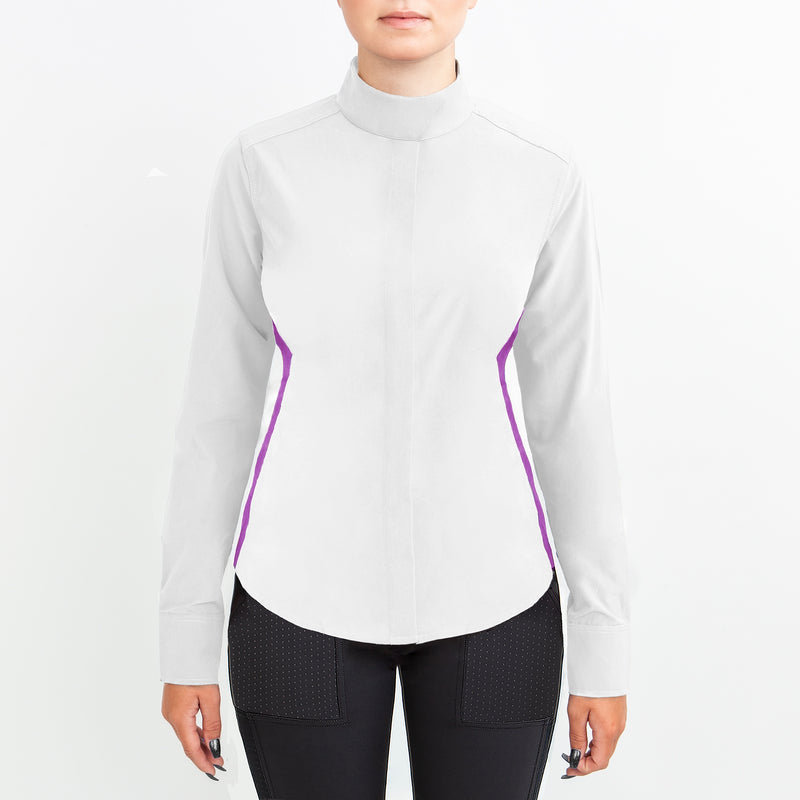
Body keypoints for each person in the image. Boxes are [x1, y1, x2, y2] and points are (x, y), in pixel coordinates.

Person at [159, 2, 631, 798]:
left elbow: (572, 416)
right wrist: (186, 636)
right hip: (294, 599)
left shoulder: (541, 171)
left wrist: (603, 642)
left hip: (499, 599)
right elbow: (217, 412)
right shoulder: (263, 164)